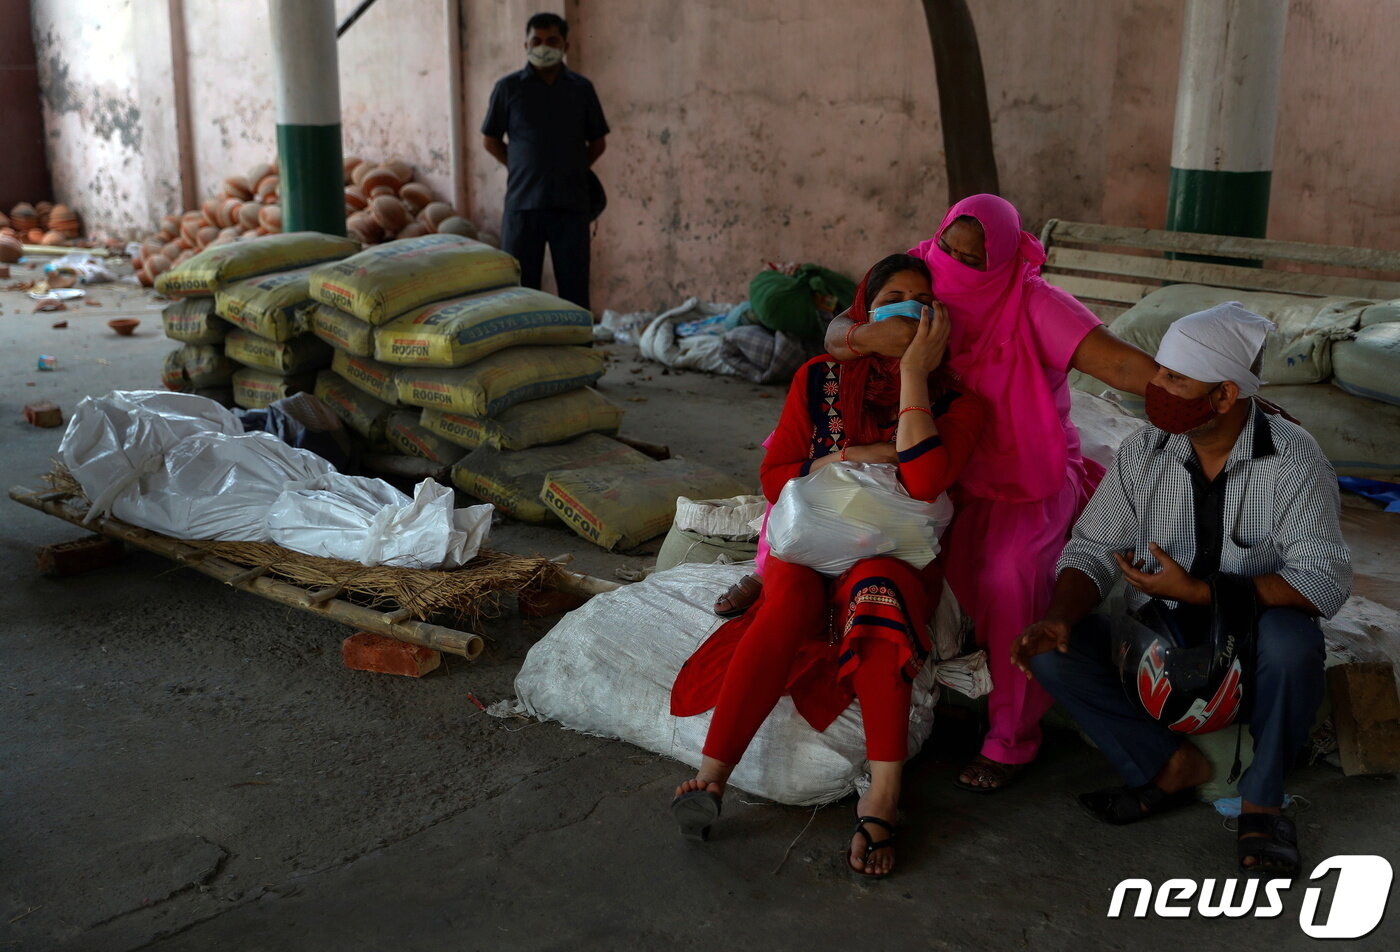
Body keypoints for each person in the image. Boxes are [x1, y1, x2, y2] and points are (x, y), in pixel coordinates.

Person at [821, 195, 1159, 792]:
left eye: (970, 259)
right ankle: (922, 697)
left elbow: (1130, 372)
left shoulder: (1033, 304)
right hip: (936, 465)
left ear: (1002, 258)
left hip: (1022, 480)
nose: (951, 264)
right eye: (947, 247)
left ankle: (1012, 736)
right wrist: (867, 340)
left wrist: (1207, 396)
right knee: (860, 547)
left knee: (1009, 575)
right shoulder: (921, 277)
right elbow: (839, 328)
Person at [668, 254, 986, 879]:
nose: (907, 310)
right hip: (811, 547)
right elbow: (776, 473)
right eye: (892, 296)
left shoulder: (961, 403)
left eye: (922, 301)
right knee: (786, 599)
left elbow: (923, 482)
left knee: (877, 594)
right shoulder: (818, 378)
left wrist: (915, 374)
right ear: (865, 310)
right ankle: (711, 778)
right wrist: (849, 458)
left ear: (940, 320)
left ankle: (886, 797)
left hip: (896, 558)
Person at [1012, 303, 1351, 877]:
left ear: (1222, 396)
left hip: (1249, 643)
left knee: (1293, 644)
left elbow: (1324, 581)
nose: (1156, 387)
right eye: (1160, 372)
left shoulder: (1293, 460)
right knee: (1049, 651)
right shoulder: (1145, 453)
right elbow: (1093, 549)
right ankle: (1168, 767)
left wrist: (1200, 592)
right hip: (1160, 640)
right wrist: (1061, 616)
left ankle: (1263, 802)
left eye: (1174, 378)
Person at [481, 12, 608, 310]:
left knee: (574, 289)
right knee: (519, 292)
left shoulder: (581, 89)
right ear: (524, 44)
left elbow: (598, 142)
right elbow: (490, 140)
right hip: (522, 206)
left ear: (565, 45)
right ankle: (526, 354)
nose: (543, 46)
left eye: (552, 40)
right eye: (536, 40)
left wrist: (572, 168)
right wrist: (520, 167)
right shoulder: (508, 88)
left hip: (571, 205)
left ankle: (578, 354)